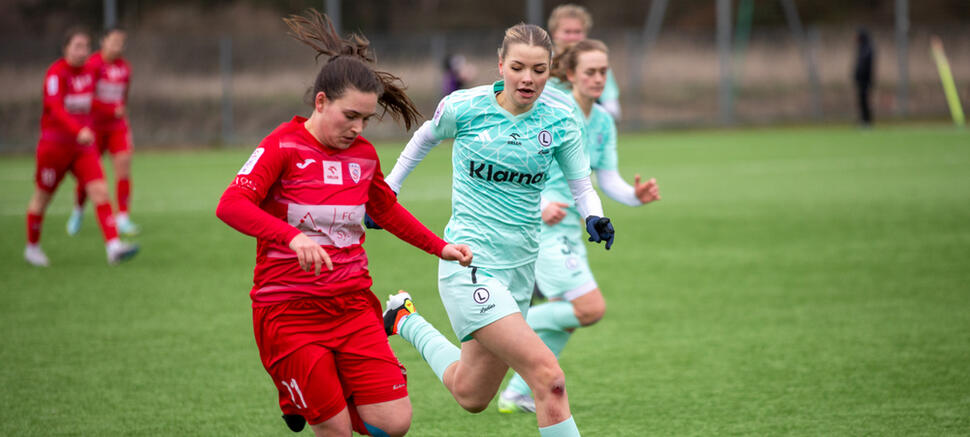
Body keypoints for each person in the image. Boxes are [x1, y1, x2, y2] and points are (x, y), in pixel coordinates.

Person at [214, 10, 472, 437]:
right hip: (290, 312)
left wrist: (439, 247)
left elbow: (385, 211)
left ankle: (310, 392)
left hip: (352, 306)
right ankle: (293, 391)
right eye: (350, 116)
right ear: (321, 102)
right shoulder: (283, 146)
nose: (358, 128)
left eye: (366, 119)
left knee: (394, 424)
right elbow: (231, 205)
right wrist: (291, 237)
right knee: (334, 430)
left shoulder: (364, 156)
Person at [380, 23, 615, 437]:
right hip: (468, 262)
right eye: (519, 67)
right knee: (549, 377)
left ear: (550, 70)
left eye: (539, 70)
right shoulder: (465, 106)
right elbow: (424, 138)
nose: (528, 78)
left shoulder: (561, 117)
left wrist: (592, 215)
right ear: (501, 65)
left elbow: (581, 182)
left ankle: (403, 318)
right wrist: (388, 190)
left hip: (520, 266)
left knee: (471, 395)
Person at [497, 39, 661, 414]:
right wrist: (540, 204)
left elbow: (607, 178)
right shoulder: (550, 110)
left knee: (566, 320)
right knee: (589, 308)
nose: (599, 78)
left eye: (604, 71)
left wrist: (635, 196)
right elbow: (514, 165)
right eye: (590, 71)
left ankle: (517, 392)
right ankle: (502, 327)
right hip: (541, 229)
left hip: (573, 230)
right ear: (570, 75)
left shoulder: (603, 122)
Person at [24, 27, 139, 267]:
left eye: (85, 47)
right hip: (55, 147)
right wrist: (79, 130)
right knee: (42, 198)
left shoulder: (91, 71)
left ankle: (113, 247)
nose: (81, 51)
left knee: (100, 191)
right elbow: (55, 109)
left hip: (82, 147)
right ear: (65, 48)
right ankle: (32, 247)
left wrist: (110, 117)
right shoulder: (56, 73)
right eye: (76, 46)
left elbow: (101, 99)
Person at [68, 27, 139, 236]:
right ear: (103, 41)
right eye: (114, 41)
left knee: (124, 167)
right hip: (94, 128)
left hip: (117, 127)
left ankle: (123, 217)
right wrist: (109, 109)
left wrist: (123, 117)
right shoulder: (92, 65)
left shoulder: (125, 68)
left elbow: (123, 99)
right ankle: (78, 210)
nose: (118, 46)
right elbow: (87, 97)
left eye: (121, 42)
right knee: (88, 176)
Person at [547, 4, 621, 121]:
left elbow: (612, 106)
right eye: (567, 32)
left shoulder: (597, 62)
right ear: (554, 33)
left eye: (577, 32)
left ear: (585, 34)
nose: (573, 37)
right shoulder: (543, 63)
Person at [853, 28, 875, 127]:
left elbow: (866, 67)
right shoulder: (861, 48)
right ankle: (864, 120)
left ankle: (867, 121)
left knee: (865, 101)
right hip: (860, 81)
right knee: (862, 101)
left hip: (866, 80)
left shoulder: (868, 49)